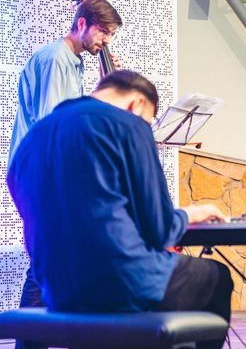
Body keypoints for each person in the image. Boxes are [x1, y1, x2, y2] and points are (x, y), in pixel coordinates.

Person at [7, 70, 233, 349]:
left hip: (58, 292)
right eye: (148, 121)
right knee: (216, 277)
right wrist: (191, 213)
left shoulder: (33, 137)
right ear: (137, 104)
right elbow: (160, 231)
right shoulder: (129, 124)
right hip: (121, 282)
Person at [9, 0, 123, 316]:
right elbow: (54, 125)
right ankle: (28, 335)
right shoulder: (56, 59)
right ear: (82, 23)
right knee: (47, 259)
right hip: (40, 172)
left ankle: (41, 333)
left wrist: (106, 88)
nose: (106, 41)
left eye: (110, 35)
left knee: (55, 259)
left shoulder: (74, 61)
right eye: (103, 32)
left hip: (46, 170)